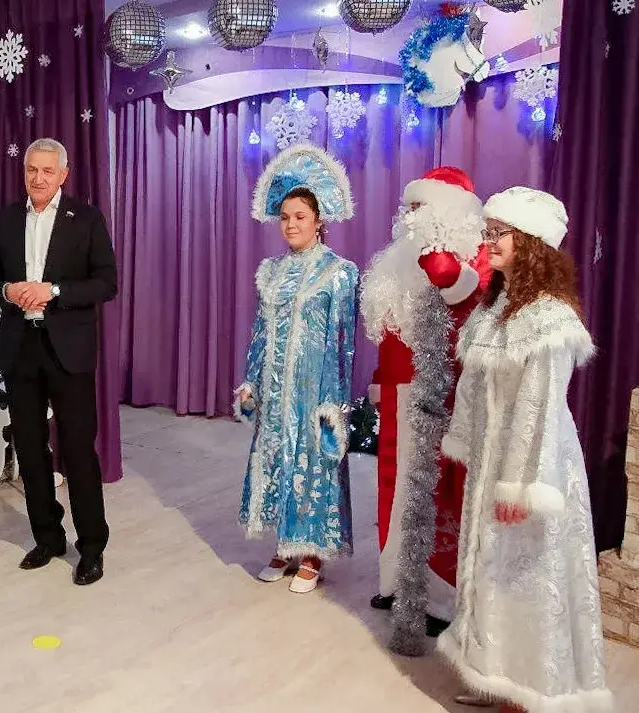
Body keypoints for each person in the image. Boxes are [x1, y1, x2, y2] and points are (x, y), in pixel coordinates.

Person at [437, 187, 612, 713]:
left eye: (500, 233)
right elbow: (472, 389)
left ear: (530, 242)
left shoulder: (550, 318)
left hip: (533, 466)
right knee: (490, 570)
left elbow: (541, 407)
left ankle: (530, 690)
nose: (488, 241)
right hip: (492, 462)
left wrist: (521, 483)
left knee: (528, 575)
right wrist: (468, 447)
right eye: (488, 231)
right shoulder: (493, 309)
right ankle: (494, 675)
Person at [359, 167, 492, 653]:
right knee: (392, 484)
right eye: (409, 208)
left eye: (422, 208)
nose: (410, 217)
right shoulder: (401, 255)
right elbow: (390, 324)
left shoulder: (470, 253)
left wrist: (430, 242)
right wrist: (380, 379)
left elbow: (452, 283)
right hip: (398, 388)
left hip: (442, 391)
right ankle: (396, 583)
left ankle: (436, 599)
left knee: (431, 492)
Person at [0, 138, 117, 586]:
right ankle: (48, 537)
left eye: (47, 171)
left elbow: (106, 283)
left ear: (63, 175)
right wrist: (7, 291)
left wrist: (53, 291)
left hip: (69, 351)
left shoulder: (86, 219)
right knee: (31, 449)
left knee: (78, 451)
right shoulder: (5, 220)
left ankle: (91, 547)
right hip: (21, 347)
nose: (38, 178)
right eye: (31, 170)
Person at [236, 143, 359, 594]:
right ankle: (285, 545)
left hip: (314, 388)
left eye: (300, 217)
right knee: (275, 457)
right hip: (274, 388)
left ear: (319, 219)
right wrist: (251, 380)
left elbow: (342, 343)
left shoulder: (339, 272)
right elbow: (260, 331)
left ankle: (312, 553)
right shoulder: (270, 271)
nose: (290, 224)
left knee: (310, 461)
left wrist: (333, 403)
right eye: (285, 217)